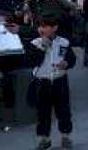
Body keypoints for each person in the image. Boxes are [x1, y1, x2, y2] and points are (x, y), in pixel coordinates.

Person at [26, 14, 76, 150]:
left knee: (63, 111)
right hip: (42, 82)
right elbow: (33, 61)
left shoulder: (63, 42)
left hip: (60, 81)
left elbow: (71, 58)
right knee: (43, 113)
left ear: (55, 28)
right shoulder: (35, 43)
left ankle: (66, 137)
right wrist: (43, 47)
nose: (41, 29)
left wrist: (66, 63)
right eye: (40, 26)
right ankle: (44, 139)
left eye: (45, 26)